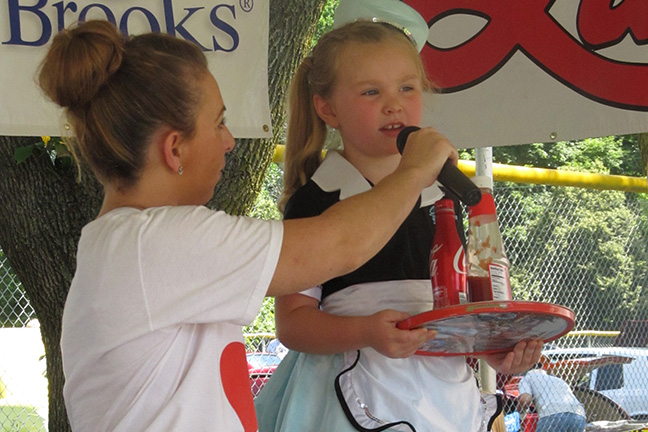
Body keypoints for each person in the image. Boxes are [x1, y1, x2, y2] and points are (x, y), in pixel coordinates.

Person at [38, 20, 460, 432]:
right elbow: (341, 245)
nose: (229, 141)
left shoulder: (134, 242)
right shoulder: (154, 243)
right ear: (174, 148)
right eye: (218, 122)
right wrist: (415, 171)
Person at [254, 1, 543, 431]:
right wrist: (366, 333)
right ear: (327, 108)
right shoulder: (315, 201)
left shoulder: (444, 194)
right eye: (372, 92)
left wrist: (492, 347)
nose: (395, 106)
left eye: (407, 89)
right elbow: (293, 325)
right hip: (346, 394)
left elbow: (454, 308)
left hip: (444, 396)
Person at [517, 365, 587, 432]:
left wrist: (518, 412)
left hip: (552, 415)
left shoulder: (527, 378)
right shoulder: (559, 380)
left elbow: (525, 400)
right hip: (578, 415)